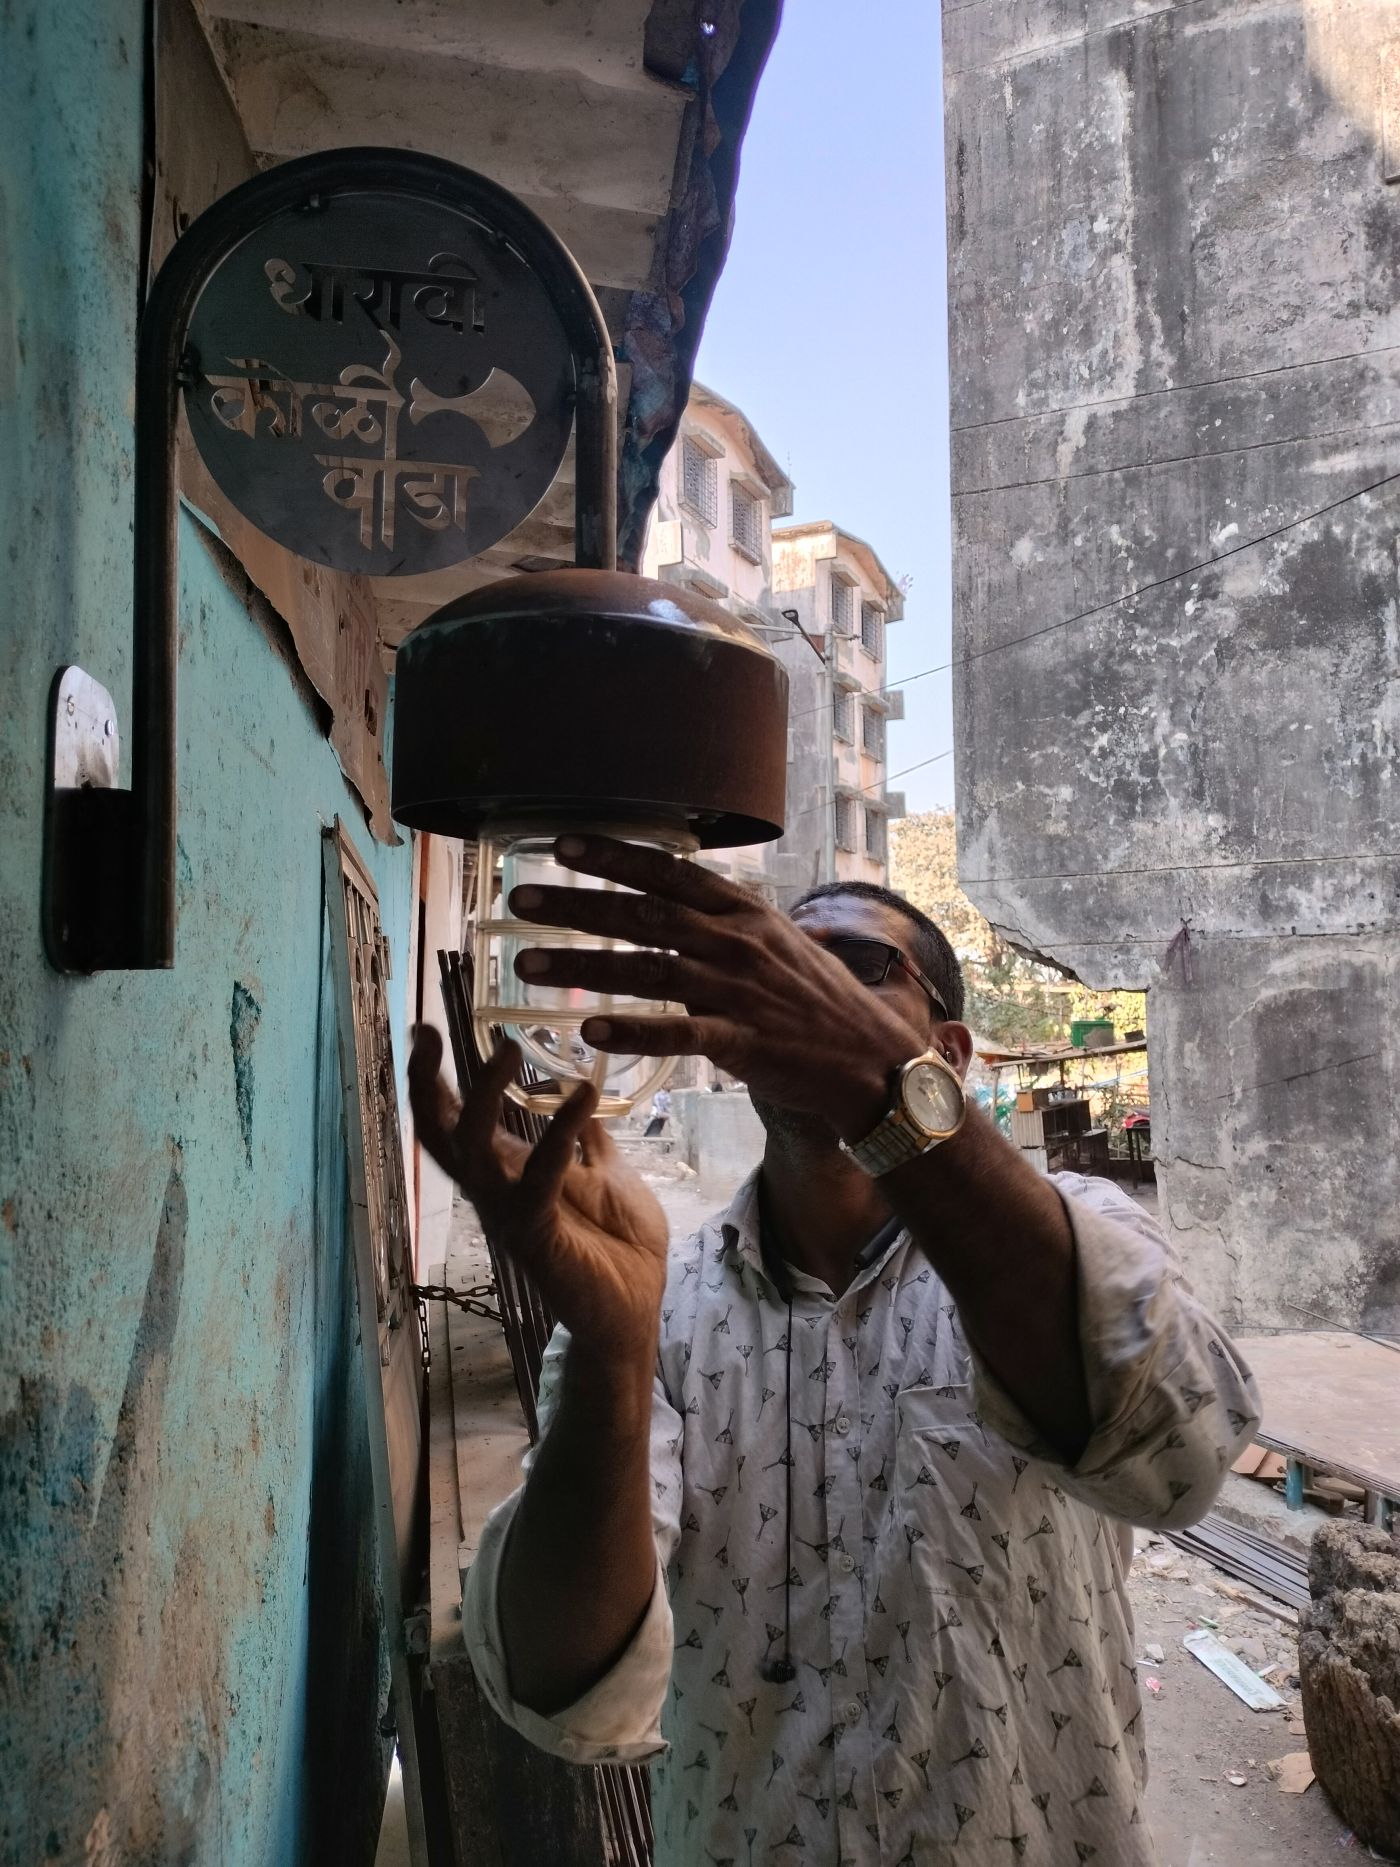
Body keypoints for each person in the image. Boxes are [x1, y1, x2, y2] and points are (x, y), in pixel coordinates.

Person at [409, 835, 1259, 1867]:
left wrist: (878, 1092)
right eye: (774, 970)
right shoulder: (659, 1299)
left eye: (847, 973)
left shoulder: (1063, 1234)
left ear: (945, 1049)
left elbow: (1182, 1454)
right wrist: (609, 1349)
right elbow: (560, 1684)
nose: (791, 998)